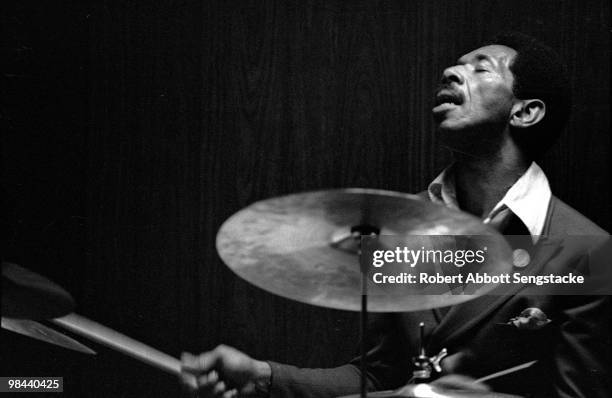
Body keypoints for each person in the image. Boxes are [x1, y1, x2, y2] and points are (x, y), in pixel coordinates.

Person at [180, 33, 610, 398]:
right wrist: (262, 376)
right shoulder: (396, 226)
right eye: (455, 65)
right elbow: (374, 377)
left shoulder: (586, 250)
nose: (451, 72)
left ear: (525, 111)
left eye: (481, 68)